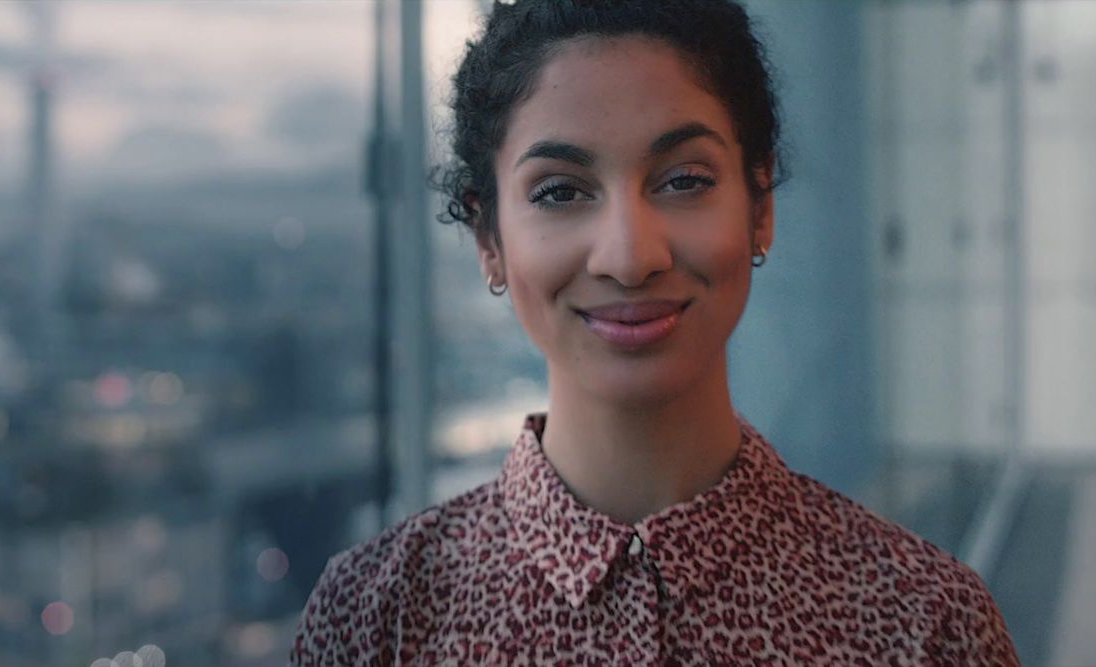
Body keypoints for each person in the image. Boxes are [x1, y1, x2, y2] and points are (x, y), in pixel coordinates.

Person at [291, 0, 1019, 664]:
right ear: (490, 238)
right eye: (561, 192)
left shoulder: (925, 622)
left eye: (683, 180)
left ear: (759, 206)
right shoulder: (373, 617)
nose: (631, 256)